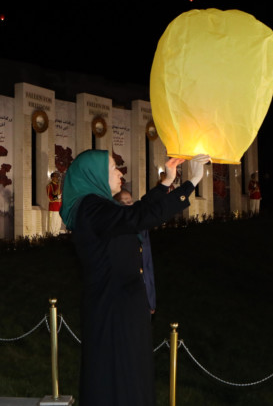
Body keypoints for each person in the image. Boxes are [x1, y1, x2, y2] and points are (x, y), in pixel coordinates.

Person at [60, 149, 210, 406]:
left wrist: (166, 182)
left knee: (126, 379)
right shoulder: (92, 208)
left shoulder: (98, 208)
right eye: (113, 168)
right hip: (114, 311)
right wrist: (190, 183)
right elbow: (137, 217)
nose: (120, 173)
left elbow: (135, 212)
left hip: (119, 309)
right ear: (93, 175)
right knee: (119, 382)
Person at [114, 189, 156, 316]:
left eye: (130, 201)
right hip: (122, 296)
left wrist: (151, 300)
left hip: (141, 293)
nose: (129, 205)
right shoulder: (114, 229)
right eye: (124, 202)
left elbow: (147, 264)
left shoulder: (141, 228)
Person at [46, 171, 62, 235]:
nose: (57, 178)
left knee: (58, 223)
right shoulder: (50, 186)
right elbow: (50, 198)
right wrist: (58, 197)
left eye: (58, 177)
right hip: (53, 207)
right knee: (53, 224)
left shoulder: (58, 186)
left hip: (59, 208)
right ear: (52, 178)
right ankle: (52, 237)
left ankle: (57, 236)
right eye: (56, 177)